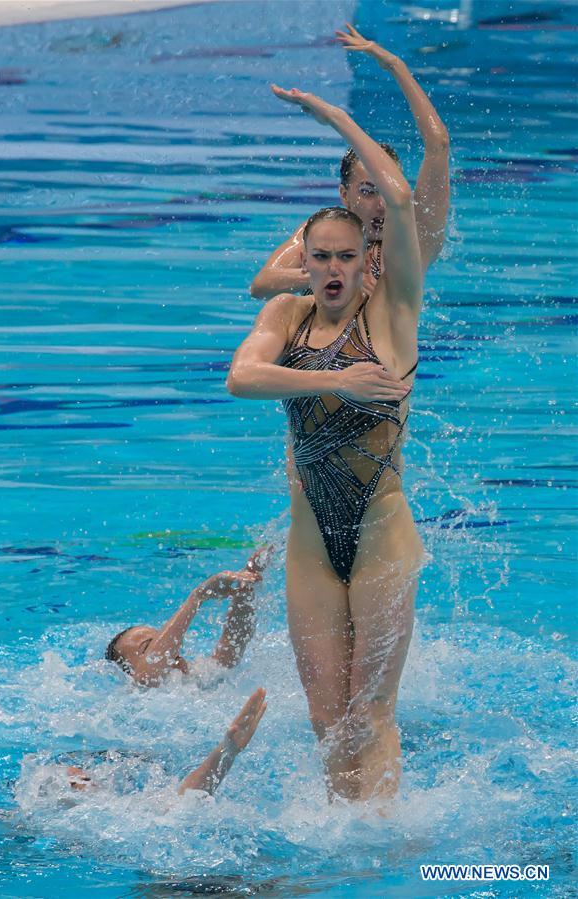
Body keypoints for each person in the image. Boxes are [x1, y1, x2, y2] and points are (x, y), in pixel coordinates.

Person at [228, 85, 426, 803]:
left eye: (346, 254)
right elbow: (241, 377)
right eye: (321, 257)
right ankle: (341, 836)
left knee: (370, 710)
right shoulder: (286, 311)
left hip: (380, 523)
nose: (335, 268)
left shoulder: (393, 306)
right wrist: (338, 383)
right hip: (313, 528)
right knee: (324, 715)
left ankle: (378, 845)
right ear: (303, 262)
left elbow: (400, 204)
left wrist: (337, 119)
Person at [250, 23, 449, 301]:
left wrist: (395, 65)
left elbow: (438, 146)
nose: (382, 204)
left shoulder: (415, 240)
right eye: (368, 191)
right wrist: (330, 274)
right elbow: (261, 285)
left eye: (387, 192)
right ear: (345, 195)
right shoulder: (325, 234)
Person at [105, 547, 270, 687]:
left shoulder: (196, 679)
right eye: (150, 646)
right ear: (130, 672)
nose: (170, 644)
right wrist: (197, 597)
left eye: (161, 638)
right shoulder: (139, 694)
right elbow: (147, 676)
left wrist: (246, 583)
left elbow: (233, 643)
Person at [60, 688, 267, 797]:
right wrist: (226, 752)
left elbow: (180, 804)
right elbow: (181, 806)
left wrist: (227, 752)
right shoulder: (55, 780)